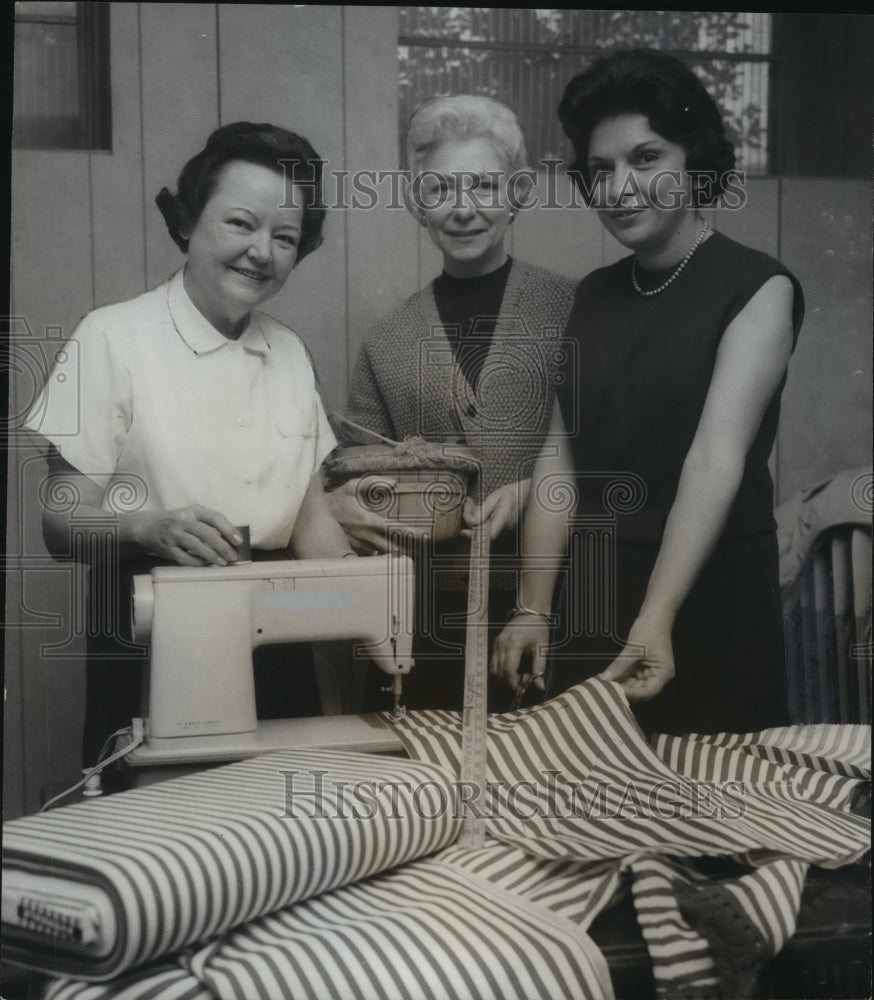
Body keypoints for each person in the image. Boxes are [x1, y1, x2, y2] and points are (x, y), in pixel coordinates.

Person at [491, 50, 804, 735]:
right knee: (586, 822)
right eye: (601, 170)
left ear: (694, 158)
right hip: (598, 598)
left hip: (707, 601)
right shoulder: (594, 295)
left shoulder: (758, 288)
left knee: (713, 828)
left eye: (646, 158)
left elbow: (714, 460)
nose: (620, 188)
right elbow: (560, 460)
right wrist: (533, 608)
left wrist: (654, 619)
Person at [26, 122, 355, 767]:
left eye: (285, 237)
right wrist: (149, 526)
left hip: (278, 628)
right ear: (187, 223)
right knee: (165, 839)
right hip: (153, 621)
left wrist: (380, 590)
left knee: (285, 840)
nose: (263, 251)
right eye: (241, 223)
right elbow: (60, 520)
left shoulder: (288, 353)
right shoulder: (112, 338)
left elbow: (313, 528)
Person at [326, 94, 576, 710]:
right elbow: (356, 489)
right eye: (439, 190)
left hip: (560, 610)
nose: (463, 210)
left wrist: (529, 493)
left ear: (518, 192)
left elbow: (615, 454)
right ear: (417, 204)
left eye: (486, 187)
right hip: (424, 628)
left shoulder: (575, 310)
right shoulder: (387, 340)